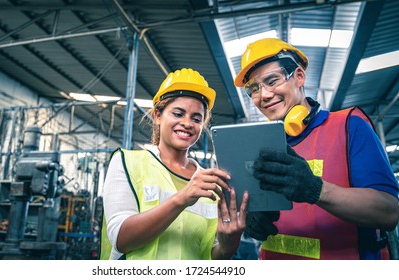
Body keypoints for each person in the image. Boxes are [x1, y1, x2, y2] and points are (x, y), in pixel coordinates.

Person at [234, 38, 399, 260]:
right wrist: (251, 218)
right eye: (253, 89)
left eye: (272, 81)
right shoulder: (258, 146)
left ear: (299, 76)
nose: (263, 95)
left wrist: (316, 189)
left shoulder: (349, 125)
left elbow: (389, 212)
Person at [100, 68, 248, 260]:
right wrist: (182, 198)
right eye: (178, 114)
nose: (187, 123)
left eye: (196, 118)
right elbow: (121, 238)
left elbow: (210, 254)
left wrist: (228, 246)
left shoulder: (210, 182)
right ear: (157, 116)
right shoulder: (127, 162)